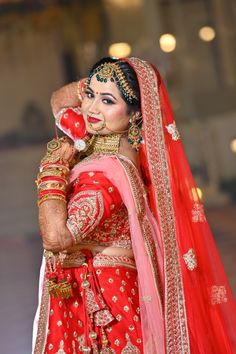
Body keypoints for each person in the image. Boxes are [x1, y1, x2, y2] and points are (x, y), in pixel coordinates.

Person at [32, 57, 236, 354]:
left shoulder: (105, 173)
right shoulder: (99, 139)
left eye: (107, 101)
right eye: (89, 96)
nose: (90, 109)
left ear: (136, 113)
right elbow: (58, 103)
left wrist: (52, 171)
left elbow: (57, 237)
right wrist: (105, 80)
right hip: (96, 292)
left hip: (106, 305)